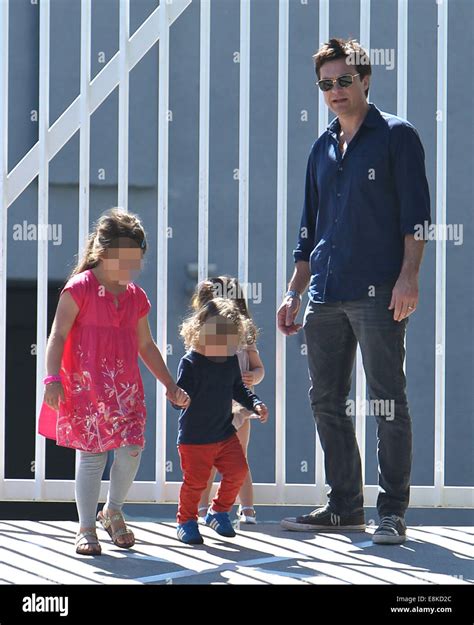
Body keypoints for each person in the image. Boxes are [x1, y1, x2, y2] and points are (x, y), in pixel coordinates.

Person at [277, 38, 431, 544]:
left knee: (388, 400)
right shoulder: (320, 147)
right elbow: (308, 227)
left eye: (345, 80)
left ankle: (392, 512)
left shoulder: (396, 137)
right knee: (326, 400)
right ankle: (345, 506)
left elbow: (417, 218)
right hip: (324, 291)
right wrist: (294, 291)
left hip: (379, 291)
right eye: (326, 84)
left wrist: (408, 278)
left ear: (366, 79)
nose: (336, 91)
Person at [41, 208, 189, 556]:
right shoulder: (79, 289)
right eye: (125, 261)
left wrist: (169, 383)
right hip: (87, 389)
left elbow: (146, 345)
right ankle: (86, 526)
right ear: (103, 253)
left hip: (125, 391)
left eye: (136, 263)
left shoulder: (136, 297)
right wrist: (52, 378)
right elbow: (57, 335)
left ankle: (113, 510)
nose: (131, 270)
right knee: (92, 458)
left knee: (132, 450)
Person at [172, 298, 269, 545]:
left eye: (228, 341)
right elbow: (179, 395)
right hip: (195, 437)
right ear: (199, 332)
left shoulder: (230, 361)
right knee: (195, 482)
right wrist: (178, 398)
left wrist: (254, 403)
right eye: (215, 338)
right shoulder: (191, 362)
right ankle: (186, 521)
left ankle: (218, 512)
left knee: (238, 471)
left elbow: (239, 389)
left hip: (224, 433)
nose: (221, 345)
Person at [191, 277, 265, 524]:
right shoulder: (201, 338)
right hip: (211, 406)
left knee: (239, 458)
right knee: (208, 459)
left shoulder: (245, 336)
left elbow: (259, 368)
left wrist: (253, 376)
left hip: (239, 407)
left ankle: (247, 509)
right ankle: (202, 510)